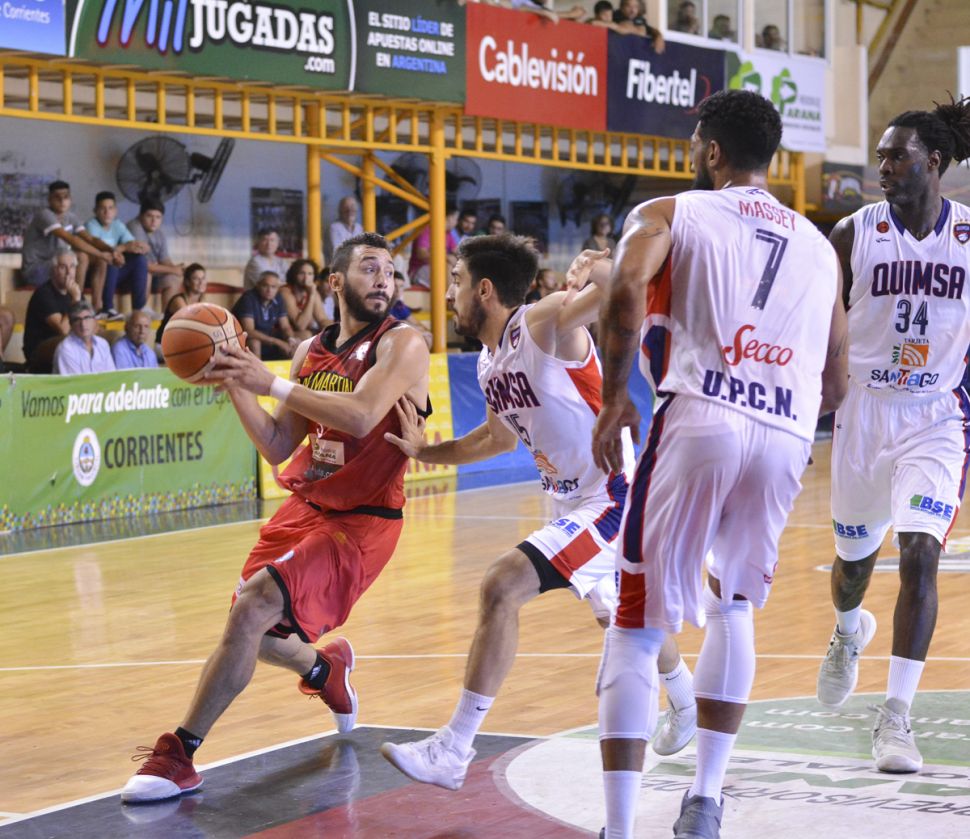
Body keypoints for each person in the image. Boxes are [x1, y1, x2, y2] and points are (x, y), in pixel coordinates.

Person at [591, 89, 848, 839]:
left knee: (637, 622)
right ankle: (705, 799)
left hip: (701, 412)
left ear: (711, 152)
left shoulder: (670, 212)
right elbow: (836, 379)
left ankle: (619, 829)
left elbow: (625, 286)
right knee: (734, 605)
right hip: (786, 432)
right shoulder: (819, 247)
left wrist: (614, 397)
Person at [120, 232, 431, 804]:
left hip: (362, 521)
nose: (384, 279)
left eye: (390, 270)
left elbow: (362, 415)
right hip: (306, 506)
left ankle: (179, 754)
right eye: (369, 268)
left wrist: (267, 381)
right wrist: (234, 381)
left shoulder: (402, 343)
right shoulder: (310, 350)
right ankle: (324, 671)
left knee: (254, 608)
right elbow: (276, 444)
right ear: (335, 282)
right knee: (251, 629)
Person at [380, 236, 697, 791]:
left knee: (502, 584)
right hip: (570, 498)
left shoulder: (543, 322)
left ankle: (454, 748)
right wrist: (426, 452)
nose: (448, 294)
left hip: (613, 497)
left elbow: (623, 288)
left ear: (484, 289)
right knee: (620, 614)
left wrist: (598, 265)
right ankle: (687, 701)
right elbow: (496, 439)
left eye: (456, 281)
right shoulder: (488, 362)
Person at [816, 95, 970, 775]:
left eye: (895, 156)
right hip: (863, 411)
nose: (881, 167)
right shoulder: (852, 234)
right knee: (853, 566)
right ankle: (848, 632)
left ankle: (896, 716)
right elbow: (819, 323)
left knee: (920, 554)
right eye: (879, 156)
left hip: (935, 416)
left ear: (933, 161)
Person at [20, 180, 107, 289]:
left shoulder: (71, 217)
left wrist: (112, 252)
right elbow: (71, 239)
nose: (62, 201)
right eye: (57, 197)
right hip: (35, 271)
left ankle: (96, 300)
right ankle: (76, 297)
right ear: (49, 200)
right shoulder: (45, 215)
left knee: (101, 261)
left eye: (66, 197)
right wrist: (101, 254)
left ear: (70, 199)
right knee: (81, 257)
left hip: (58, 266)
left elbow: (91, 239)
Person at [84, 190, 151, 320]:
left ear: (115, 211)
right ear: (95, 211)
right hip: (94, 274)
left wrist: (139, 246)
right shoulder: (91, 225)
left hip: (113, 273)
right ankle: (107, 308)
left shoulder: (117, 225)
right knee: (111, 258)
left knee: (140, 260)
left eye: (110, 208)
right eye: (102, 208)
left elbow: (132, 243)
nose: (107, 212)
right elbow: (101, 250)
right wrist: (123, 248)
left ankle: (139, 308)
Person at [23, 252, 83, 373]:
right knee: (68, 342)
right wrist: (75, 300)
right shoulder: (44, 293)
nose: (69, 272)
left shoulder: (74, 292)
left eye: (72, 267)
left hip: (66, 344)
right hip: (39, 351)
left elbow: (91, 322)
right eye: (63, 267)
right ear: (54, 270)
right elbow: (63, 330)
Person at [127, 199, 184, 310]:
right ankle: (140, 311)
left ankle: (166, 316)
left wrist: (177, 269)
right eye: (149, 216)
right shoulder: (135, 227)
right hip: (128, 273)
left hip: (152, 273)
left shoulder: (159, 233)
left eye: (158, 217)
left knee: (173, 278)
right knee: (145, 272)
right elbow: (145, 265)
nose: (154, 221)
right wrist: (173, 269)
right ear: (141, 216)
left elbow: (164, 260)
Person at [232, 271, 300, 360]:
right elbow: (249, 331)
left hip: (268, 337)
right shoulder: (248, 298)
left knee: (303, 337)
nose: (269, 290)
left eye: (273, 287)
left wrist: (291, 339)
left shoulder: (278, 298)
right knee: (255, 342)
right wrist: (278, 342)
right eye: (265, 286)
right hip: (244, 339)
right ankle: (256, 369)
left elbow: (285, 326)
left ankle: (292, 369)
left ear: (278, 288)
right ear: (258, 285)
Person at [53, 300, 116, 375]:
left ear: (95, 321)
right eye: (77, 320)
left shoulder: (102, 344)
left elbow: (112, 376)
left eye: (87, 318)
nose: (83, 324)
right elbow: (76, 381)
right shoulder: (66, 348)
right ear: (71, 324)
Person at [408, 206, 460, 288]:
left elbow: (458, 252)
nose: (456, 223)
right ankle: (452, 296)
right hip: (418, 270)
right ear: (449, 217)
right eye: (456, 219)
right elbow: (421, 254)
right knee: (447, 265)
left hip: (437, 268)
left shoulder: (448, 234)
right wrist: (446, 257)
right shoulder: (427, 230)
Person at [156, 263, 207, 344]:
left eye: (203, 278)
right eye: (196, 279)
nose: (201, 282)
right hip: (164, 344)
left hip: (182, 343)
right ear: (187, 282)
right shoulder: (178, 301)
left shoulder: (202, 303)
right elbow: (191, 325)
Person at [280, 259, 330, 341]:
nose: (306, 277)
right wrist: (311, 295)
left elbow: (322, 319)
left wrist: (334, 330)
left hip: (303, 332)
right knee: (307, 335)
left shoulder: (313, 292)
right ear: (294, 275)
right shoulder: (286, 292)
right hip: (283, 333)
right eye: (301, 273)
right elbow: (300, 326)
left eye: (310, 274)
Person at [389, 271, 433, 349]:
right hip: (389, 339)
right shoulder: (383, 304)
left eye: (401, 286)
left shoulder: (399, 305)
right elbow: (393, 324)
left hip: (403, 335)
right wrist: (407, 325)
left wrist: (419, 329)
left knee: (427, 336)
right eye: (395, 286)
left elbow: (417, 324)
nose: (398, 290)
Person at [326, 196, 364, 263]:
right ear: (340, 211)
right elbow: (337, 252)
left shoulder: (359, 228)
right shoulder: (334, 227)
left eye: (352, 206)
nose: (349, 210)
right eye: (346, 207)